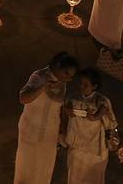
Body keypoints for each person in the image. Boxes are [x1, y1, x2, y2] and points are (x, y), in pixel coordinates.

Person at [14, 52, 79, 184]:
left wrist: (62, 130)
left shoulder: (62, 83)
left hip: (50, 132)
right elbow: (23, 98)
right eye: (66, 73)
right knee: (27, 165)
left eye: (71, 76)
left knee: (44, 166)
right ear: (57, 65)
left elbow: (59, 108)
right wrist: (42, 87)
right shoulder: (39, 76)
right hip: (31, 130)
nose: (68, 79)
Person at [62, 68, 118, 184]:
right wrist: (67, 111)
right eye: (80, 84)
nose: (81, 87)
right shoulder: (73, 98)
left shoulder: (102, 101)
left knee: (93, 175)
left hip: (95, 146)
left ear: (95, 86)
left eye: (86, 85)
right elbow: (65, 110)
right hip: (78, 145)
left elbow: (101, 115)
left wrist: (94, 116)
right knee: (75, 173)